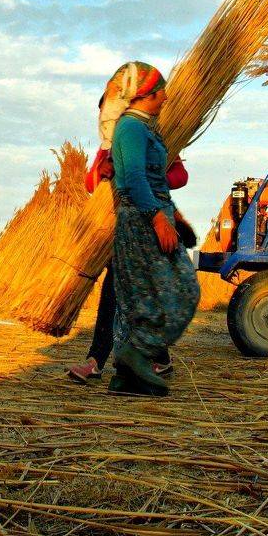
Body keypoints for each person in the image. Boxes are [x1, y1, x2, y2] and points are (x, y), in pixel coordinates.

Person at [100, 61, 200, 397]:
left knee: (136, 301)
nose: (166, 97)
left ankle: (127, 378)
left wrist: (175, 218)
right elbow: (133, 180)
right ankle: (138, 352)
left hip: (153, 214)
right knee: (184, 290)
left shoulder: (144, 128)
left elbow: (158, 180)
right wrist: (158, 218)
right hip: (142, 221)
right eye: (161, 92)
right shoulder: (130, 128)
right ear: (146, 95)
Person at [68, 152, 188, 384]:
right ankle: (96, 360)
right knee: (113, 292)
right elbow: (90, 184)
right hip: (120, 227)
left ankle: (156, 359)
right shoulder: (108, 149)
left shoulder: (155, 139)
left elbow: (181, 176)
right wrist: (99, 174)